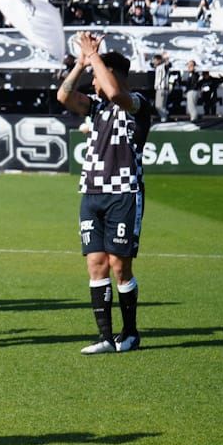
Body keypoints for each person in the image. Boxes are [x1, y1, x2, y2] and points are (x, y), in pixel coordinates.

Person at [57, 32, 153, 354]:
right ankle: (104, 337)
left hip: (123, 193)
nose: (93, 84)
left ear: (110, 75)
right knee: (96, 264)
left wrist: (95, 59)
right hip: (91, 193)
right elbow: (64, 95)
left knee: (119, 266)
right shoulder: (96, 107)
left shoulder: (136, 103)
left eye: (96, 76)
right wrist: (81, 63)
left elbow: (113, 90)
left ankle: (130, 333)